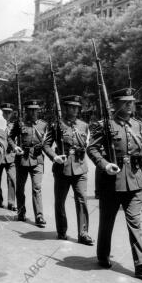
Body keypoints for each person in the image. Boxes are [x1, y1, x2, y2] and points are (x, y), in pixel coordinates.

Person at [87, 88, 142, 277]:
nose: (130, 105)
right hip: (112, 181)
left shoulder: (138, 125)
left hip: (134, 181)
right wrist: (104, 164)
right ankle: (103, 255)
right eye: (126, 102)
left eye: (132, 102)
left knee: (135, 222)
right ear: (116, 105)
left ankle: (141, 263)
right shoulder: (104, 125)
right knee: (107, 222)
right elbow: (92, 149)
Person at [43, 95, 93, 245]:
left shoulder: (84, 125)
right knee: (60, 201)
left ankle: (83, 233)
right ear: (65, 108)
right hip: (62, 168)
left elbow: (88, 144)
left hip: (80, 167)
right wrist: (54, 157)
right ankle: (62, 230)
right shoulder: (57, 125)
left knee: (82, 199)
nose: (74, 109)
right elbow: (46, 145)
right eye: (71, 107)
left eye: (76, 107)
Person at [8, 100, 47, 226]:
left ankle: (39, 216)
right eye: (30, 109)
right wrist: (14, 147)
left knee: (37, 187)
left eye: (35, 109)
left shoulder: (43, 125)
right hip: (22, 159)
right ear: (26, 110)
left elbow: (48, 142)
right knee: (20, 188)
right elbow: (9, 137)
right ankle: (21, 212)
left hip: (37, 159)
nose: (33, 112)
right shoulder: (20, 124)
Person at [0, 103, 16, 210]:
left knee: (12, 178)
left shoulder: (14, 125)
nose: (7, 114)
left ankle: (11, 202)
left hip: (10, 156)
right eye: (5, 112)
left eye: (9, 112)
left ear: (12, 113)